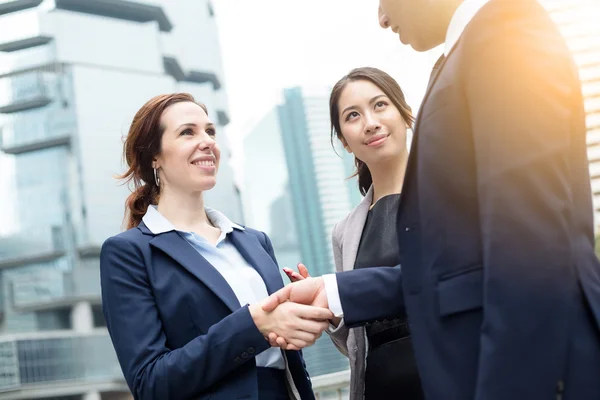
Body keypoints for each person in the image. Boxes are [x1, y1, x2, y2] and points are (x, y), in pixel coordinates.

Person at [264, 1, 600, 399]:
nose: (382, 18)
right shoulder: (469, 53)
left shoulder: (502, 34)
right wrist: (334, 293)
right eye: (351, 116)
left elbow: (527, 249)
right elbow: (450, 271)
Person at [100, 93, 333, 400]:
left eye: (210, 131)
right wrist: (253, 325)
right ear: (154, 156)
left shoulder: (254, 241)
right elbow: (150, 382)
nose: (207, 141)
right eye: (188, 132)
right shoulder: (130, 253)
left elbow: (287, 354)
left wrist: (303, 309)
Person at [282, 67, 424, 399]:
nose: (370, 122)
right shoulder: (345, 231)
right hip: (380, 388)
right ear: (344, 141)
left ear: (405, 115)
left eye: (380, 105)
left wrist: (336, 290)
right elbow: (355, 346)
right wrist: (328, 309)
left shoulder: (451, 191)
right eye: (353, 115)